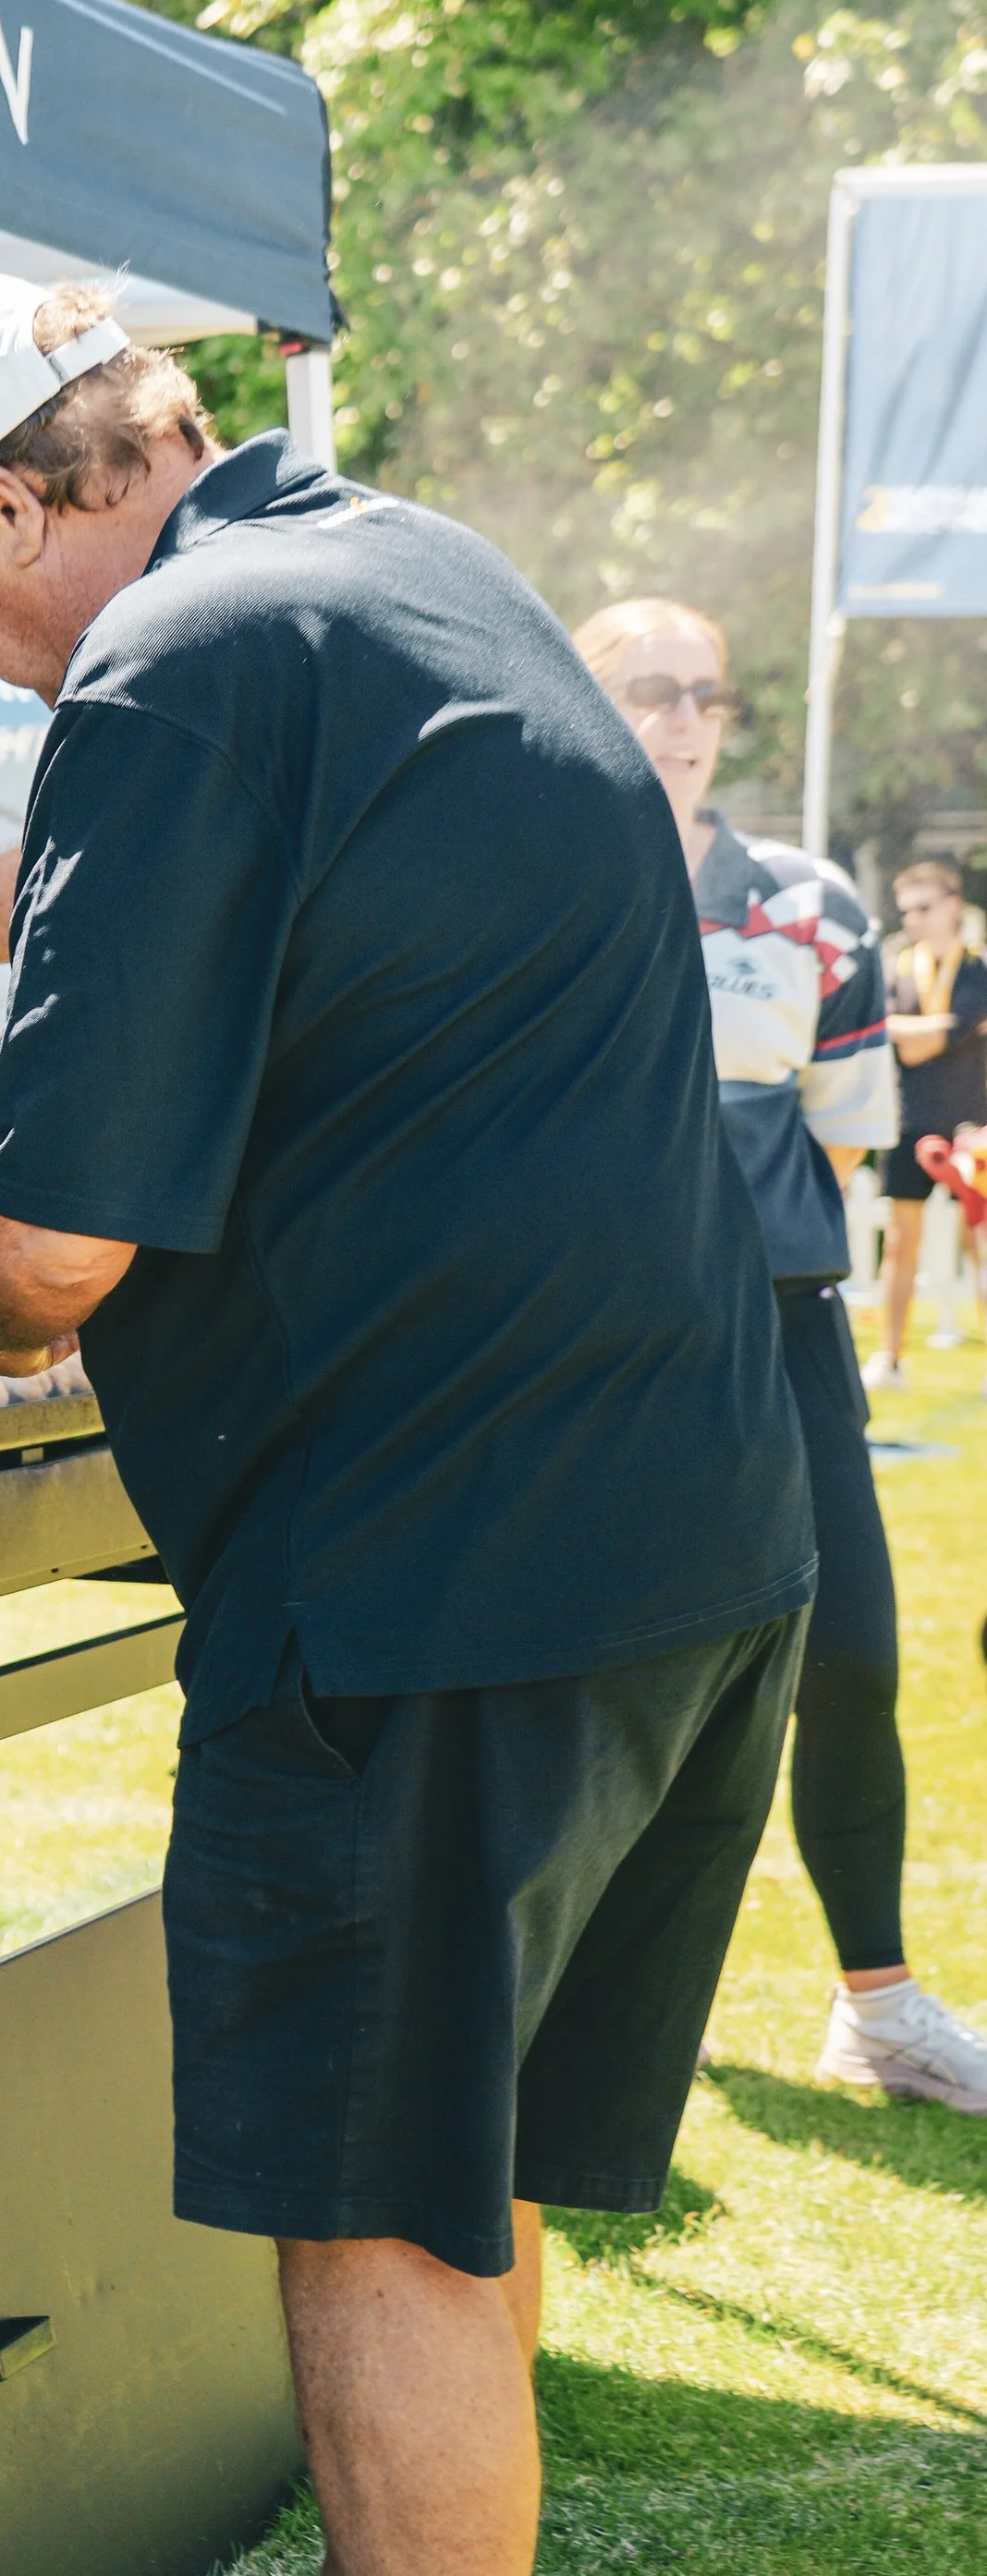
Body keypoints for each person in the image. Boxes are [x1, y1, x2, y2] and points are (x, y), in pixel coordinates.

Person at [0, 271, 814, 2576]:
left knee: (371, 2212)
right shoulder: (402, 568)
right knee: (469, 2156)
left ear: (0, 497)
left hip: (427, 1561)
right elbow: (189, 866)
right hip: (682, 1522)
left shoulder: (164, 663)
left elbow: (45, 1256)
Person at [570, 603, 987, 2120]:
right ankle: (600, 2009)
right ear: (580, 697)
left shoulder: (811, 905)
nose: (685, 719)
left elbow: (848, 1133)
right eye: (651, 690)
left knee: (855, 1656)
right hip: (594, 1351)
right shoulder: (529, 883)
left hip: (784, 1332)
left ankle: (876, 2007)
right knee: (613, 1677)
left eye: (711, 695)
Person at [867, 854, 987, 1388]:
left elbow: (939, 1033)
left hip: (974, 1125)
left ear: (953, 906)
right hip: (910, 1120)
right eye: (905, 911)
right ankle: (889, 1359)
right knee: (900, 1242)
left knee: (980, 1244)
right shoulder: (896, 967)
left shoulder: (978, 968)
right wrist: (932, 1030)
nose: (912, 919)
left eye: (923, 908)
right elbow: (890, 1035)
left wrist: (912, 1029)